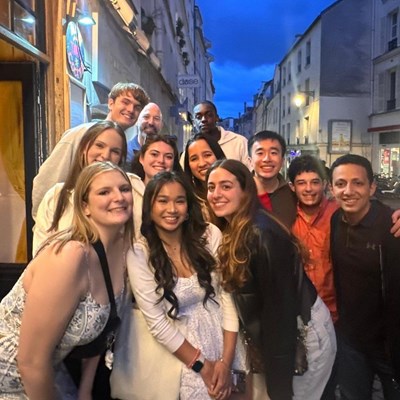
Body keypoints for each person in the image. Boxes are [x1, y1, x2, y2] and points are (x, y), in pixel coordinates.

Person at [0, 161, 133, 398]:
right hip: (10, 373)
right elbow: (30, 361)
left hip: (49, 369)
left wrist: (85, 391)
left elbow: (104, 327)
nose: (119, 197)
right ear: (85, 206)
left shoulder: (123, 249)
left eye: (124, 189)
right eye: (104, 192)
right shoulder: (70, 256)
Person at [206, 159, 336, 400]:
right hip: (283, 335)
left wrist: (279, 387)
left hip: (301, 335)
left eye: (225, 186)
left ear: (245, 191)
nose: (216, 194)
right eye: (211, 187)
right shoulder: (237, 228)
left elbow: (281, 316)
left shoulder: (260, 234)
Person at [125, 171, 244, 399]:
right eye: (163, 201)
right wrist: (203, 366)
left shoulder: (210, 235)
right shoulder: (140, 253)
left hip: (223, 342)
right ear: (149, 207)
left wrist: (225, 363)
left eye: (180, 201)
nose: (172, 209)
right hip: (179, 353)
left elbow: (228, 298)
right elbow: (157, 322)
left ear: (189, 207)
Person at [329, 154, 400, 399]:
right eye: (340, 184)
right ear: (332, 189)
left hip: (390, 345)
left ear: (372, 187)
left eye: (357, 183)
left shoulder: (392, 226)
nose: (348, 191)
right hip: (352, 342)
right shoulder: (336, 220)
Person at [32, 82, 149, 217]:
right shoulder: (80, 134)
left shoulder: (124, 145)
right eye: (125, 102)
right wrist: (45, 226)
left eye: (137, 107)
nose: (130, 109)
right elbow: (46, 182)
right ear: (111, 103)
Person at [32, 120, 132, 255]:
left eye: (115, 151)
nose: (106, 155)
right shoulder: (56, 196)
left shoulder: (127, 196)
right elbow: (40, 253)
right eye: (99, 146)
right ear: (84, 148)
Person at [248, 130, 297, 228]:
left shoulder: (293, 195)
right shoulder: (240, 191)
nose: (267, 159)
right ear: (250, 161)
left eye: (273, 153)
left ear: (282, 161)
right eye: (260, 153)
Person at [180, 101, 250, 169]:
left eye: (209, 115)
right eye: (198, 117)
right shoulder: (189, 152)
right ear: (193, 122)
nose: (203, 119)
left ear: (217, 118)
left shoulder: (239, 142)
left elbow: (251, 174)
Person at [183, 133, 226, 228]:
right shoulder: (188, 199)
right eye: (194, 159)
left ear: (218, 156)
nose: (202, 163)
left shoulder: (235, 191)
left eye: (207, 155)